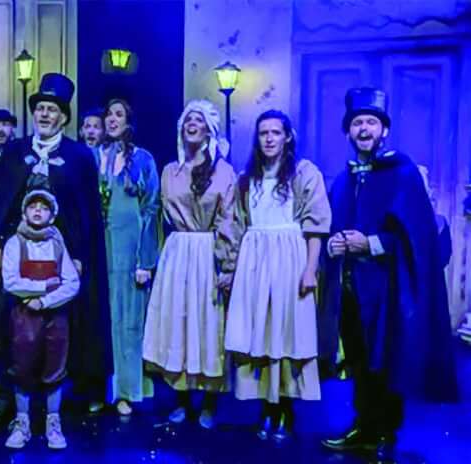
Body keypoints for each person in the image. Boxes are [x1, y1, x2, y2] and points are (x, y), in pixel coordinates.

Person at [320, 88, 458, 463]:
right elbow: (331, 226)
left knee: (387, 358)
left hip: (390, 288)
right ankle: (363, 426)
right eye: (357, 123)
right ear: (348, 131)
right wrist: (334, 245)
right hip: (352, 287)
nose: (364, 129)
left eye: (371, 122)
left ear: (385, 131)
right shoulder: (344, 179)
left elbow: (420, 237)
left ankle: (386, 432)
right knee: (360, 359)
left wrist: (371, 243)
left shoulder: (403, 173)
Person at [0, 73, 111, 420]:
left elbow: (85, 215)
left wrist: (79, 256)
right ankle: (8, 396)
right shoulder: (15, 152)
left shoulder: (79, 157)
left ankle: (56, 399)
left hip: (60, 257)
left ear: (63, 117)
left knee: (58, 324)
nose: (44, 114)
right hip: (18, 253)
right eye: (40, 108)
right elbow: (0, 207)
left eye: (52, 109)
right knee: (13, 322)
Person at [224, 110, 331, 442]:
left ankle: (285, 407)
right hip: (255, 260)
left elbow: (316, 227)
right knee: (259, 331)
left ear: (287, 137)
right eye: (263, 133)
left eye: (275, 132)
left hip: (289, 258)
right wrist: (231, 269)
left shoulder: (304, 173)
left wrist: (310, 269)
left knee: (286, 331)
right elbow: (236, 225)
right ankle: (266, 406)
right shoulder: (247, 179)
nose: (269, 138)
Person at [142, 99, 234, 429]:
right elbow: (157, 215)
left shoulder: (224, 171)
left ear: (209, 129)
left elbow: (229, 219)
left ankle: (209, 401)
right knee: (178, 321)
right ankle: (181, 399)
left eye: (198, 120)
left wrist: (228, 264)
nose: (191, 124)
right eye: (187, 120)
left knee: (208, 323)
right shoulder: (171, 171)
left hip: (208, 250)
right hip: (178, 250)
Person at [2, 190, 80, 450]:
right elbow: (11, 281)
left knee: (55, 368)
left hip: (55, 317)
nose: (37, 211)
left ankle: (53, 424)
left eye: (44, 208)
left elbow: (72, 283)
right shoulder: (15, 243)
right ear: (24, 212)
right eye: (33, 206)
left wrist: (44, 301)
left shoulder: (57, 243)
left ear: (52, 215)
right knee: (22, 367)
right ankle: (22, 422)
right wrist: (44, 285)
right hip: (23, 318)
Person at [96, 99, 159, 416]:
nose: (112, 119)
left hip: (130, 250)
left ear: (128, 122)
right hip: (101, 249)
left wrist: (145, 261)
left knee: (129, 321)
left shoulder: (143, 160)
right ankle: (101, 389)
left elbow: (151, 209)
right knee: (102, 319)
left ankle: (126, 390)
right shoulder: (95, 157)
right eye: (108, 114)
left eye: (118, 114)